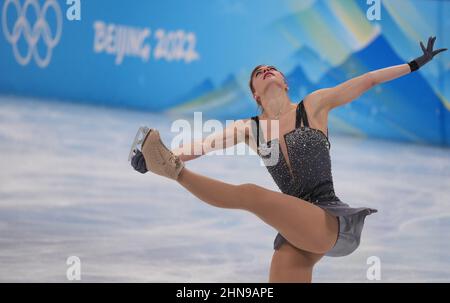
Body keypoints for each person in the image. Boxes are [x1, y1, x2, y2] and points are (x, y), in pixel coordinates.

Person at [130, 36, 446, 282]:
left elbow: (368, 80)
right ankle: (165, 163)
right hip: (298, 231)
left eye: (271, 68)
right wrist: (154, 157)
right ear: (255, 93)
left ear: (284, 80)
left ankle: (171, 170)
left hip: (330, 221)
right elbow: (202, 146)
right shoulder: (249, 128)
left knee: (250, 194)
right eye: (257, 73)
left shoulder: (314, 106)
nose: (265, 71)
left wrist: (414, 64)